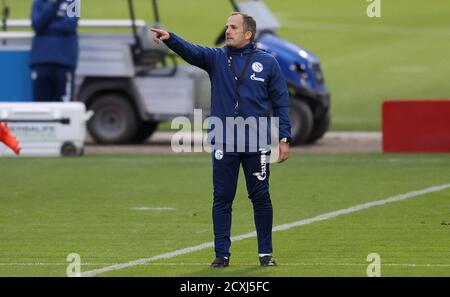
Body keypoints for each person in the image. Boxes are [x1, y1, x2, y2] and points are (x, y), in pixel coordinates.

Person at [151, 12, 291, 268]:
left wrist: (283, 138)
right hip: (224, 141)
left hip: (257, 143)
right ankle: (222, 255)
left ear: (247, 34)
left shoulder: (268, 63)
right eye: (227, 26)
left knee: (260, 197)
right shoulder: (216, 58)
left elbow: (282, 103)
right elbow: (191, 51)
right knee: (222, 197)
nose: (227, 30)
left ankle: (265, 254)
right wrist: (170, 38)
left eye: (233, 27)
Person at [29, 0, 79, 102]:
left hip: (64, 60)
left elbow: (70, 25)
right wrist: (53, 4)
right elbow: (37, 23)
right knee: (41, 107)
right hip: (41, 59)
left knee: (65, 108)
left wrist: (47, 27)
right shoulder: (39, 2)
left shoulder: (73, 2)